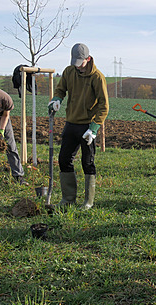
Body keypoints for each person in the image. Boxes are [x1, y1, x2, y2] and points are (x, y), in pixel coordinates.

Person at [48, 43, 109, 209]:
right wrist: (57, 100)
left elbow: (104, 106)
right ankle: (68, 199)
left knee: (87, 162)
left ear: (88, 59)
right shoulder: (69, 71)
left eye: (80, 62)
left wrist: (94, 128)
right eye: (74, 62)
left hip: (88, 127)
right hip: (71, 123)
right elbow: (61, 90)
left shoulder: (97, 77)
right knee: (64, 159)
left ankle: (88, 202)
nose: (77, 66)